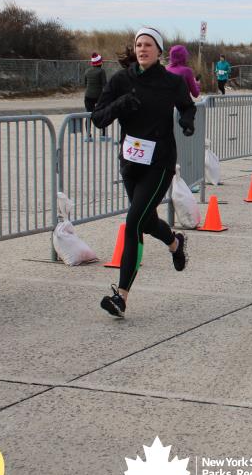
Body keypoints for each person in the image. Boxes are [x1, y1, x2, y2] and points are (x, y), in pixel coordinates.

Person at [90, 27, 196, 319]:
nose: (142, 49)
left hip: (159, 162)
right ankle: (175, 243)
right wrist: (121, 104)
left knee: (134, 223)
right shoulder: (121, 80)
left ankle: (120, 297)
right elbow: (98, 118)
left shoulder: (171, 82)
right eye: (139, 45)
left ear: (159, 51)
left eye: (148, 45)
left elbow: (187, 107)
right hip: (131, 162)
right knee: (146, 221)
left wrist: (187, 122)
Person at [84, 53, 108, 140]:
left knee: (88, 115)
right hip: (99, 97)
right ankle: (103, 135)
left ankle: (88, 135)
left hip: (88, 96)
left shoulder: (87, 71)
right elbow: (104, 85)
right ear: (100, 62)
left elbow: (85, 83)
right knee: (102, 114)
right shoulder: (101, 71)